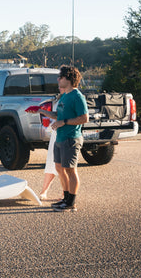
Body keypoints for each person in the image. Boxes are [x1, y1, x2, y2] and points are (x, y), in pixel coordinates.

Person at [29, 66, 88, 212]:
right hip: (60, 138)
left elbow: (84, 118)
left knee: (70, 170)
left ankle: (71, 202)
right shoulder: (65, 96)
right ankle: (66, 198)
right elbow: (58, 116)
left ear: (68, 79)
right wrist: (40, 110)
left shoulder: (77, 96)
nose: (58, 79)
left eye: (60, 77)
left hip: (71, 138)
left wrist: (65, 122)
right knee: (59, 168)